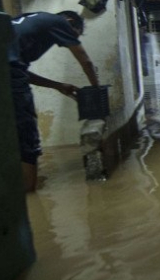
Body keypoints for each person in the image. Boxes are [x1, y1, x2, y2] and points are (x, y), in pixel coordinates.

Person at [8, 11, 100, 192]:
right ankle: (29, 193)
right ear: (70, 21)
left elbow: (19, 70)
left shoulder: (30, 19)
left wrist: (57, 85)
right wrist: (96, 92)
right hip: (9, 74)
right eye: (74, 35)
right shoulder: (60, 22)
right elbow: (86, 62)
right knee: (27, 134)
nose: (66, 42)